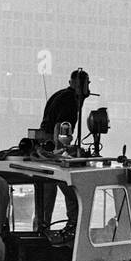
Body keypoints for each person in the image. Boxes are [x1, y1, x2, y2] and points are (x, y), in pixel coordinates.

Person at [34, 67, 93, 231]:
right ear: (79, 84)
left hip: (43, 149)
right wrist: (63, 152)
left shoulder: (59, 94)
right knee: (73, 194)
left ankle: (41, 229)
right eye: (88, 83)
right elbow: (62, 128)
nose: (89, 87)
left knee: (45, 198)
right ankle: (73, 227)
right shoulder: (70, 100)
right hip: (52, 152)